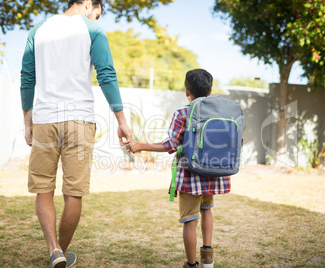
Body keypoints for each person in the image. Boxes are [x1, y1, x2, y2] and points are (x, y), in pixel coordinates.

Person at [20, 0, 132, 267]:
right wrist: (121, 119)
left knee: (43, 189)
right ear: (87, 4)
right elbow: (106, 74)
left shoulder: (39, 28)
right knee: (74, 193)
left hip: (46, 119)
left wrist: (27, 120)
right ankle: (60, 251)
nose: (97, 17)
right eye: (97, 12)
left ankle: (54, 250)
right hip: (80, 121)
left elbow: (27, 76)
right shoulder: (93, 30)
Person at [127, 69, 230, 268]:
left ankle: (192, 265)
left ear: (186, 91)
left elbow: (170, 145)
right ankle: (208, 260)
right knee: (207, 210)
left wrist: (140, 146)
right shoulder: (221, 113)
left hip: (191, 175)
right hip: (214, 172)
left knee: (190, 219)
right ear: (209, 92)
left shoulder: (183, 113)